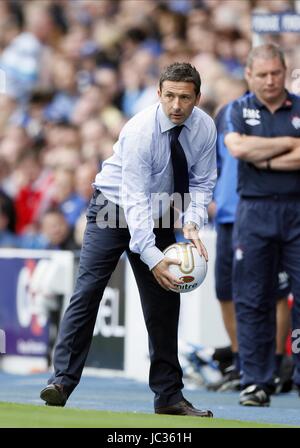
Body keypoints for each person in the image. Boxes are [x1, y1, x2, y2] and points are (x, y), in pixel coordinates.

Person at [40, 62, 217, 417]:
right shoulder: (139, 131)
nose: (176, 105)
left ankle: (169, 397)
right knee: (89, 289)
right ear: (158, 94)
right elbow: (134, 201)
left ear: (197, 98)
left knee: (165, 301)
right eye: (169, 96)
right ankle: (61, 381)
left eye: (184, 97)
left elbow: (201, 182)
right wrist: (152, 257)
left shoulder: (205, 127)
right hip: (114, 206)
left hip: (165, 207)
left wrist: (193, 223)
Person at [224, 43, 300, 407]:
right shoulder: (238, 109)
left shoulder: (299, 106)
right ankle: (256, 380)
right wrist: (288, 145)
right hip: (254, 212)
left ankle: (296, 374)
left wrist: (263, 156)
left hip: (296, 209)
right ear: (249, 75)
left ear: (285, 72)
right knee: (252, 299)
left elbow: (252, 151)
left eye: (277, 73)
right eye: (263, 74)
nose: (271, 81)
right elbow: (238, 149)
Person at [210, 101, 291, 392]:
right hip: (229, 216)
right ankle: (240, 360)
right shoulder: (227, 113)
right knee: (227, 290)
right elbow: (215, 162)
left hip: (265, 207)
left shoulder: (276, 116)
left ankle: (279, 361)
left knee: (276, 290)